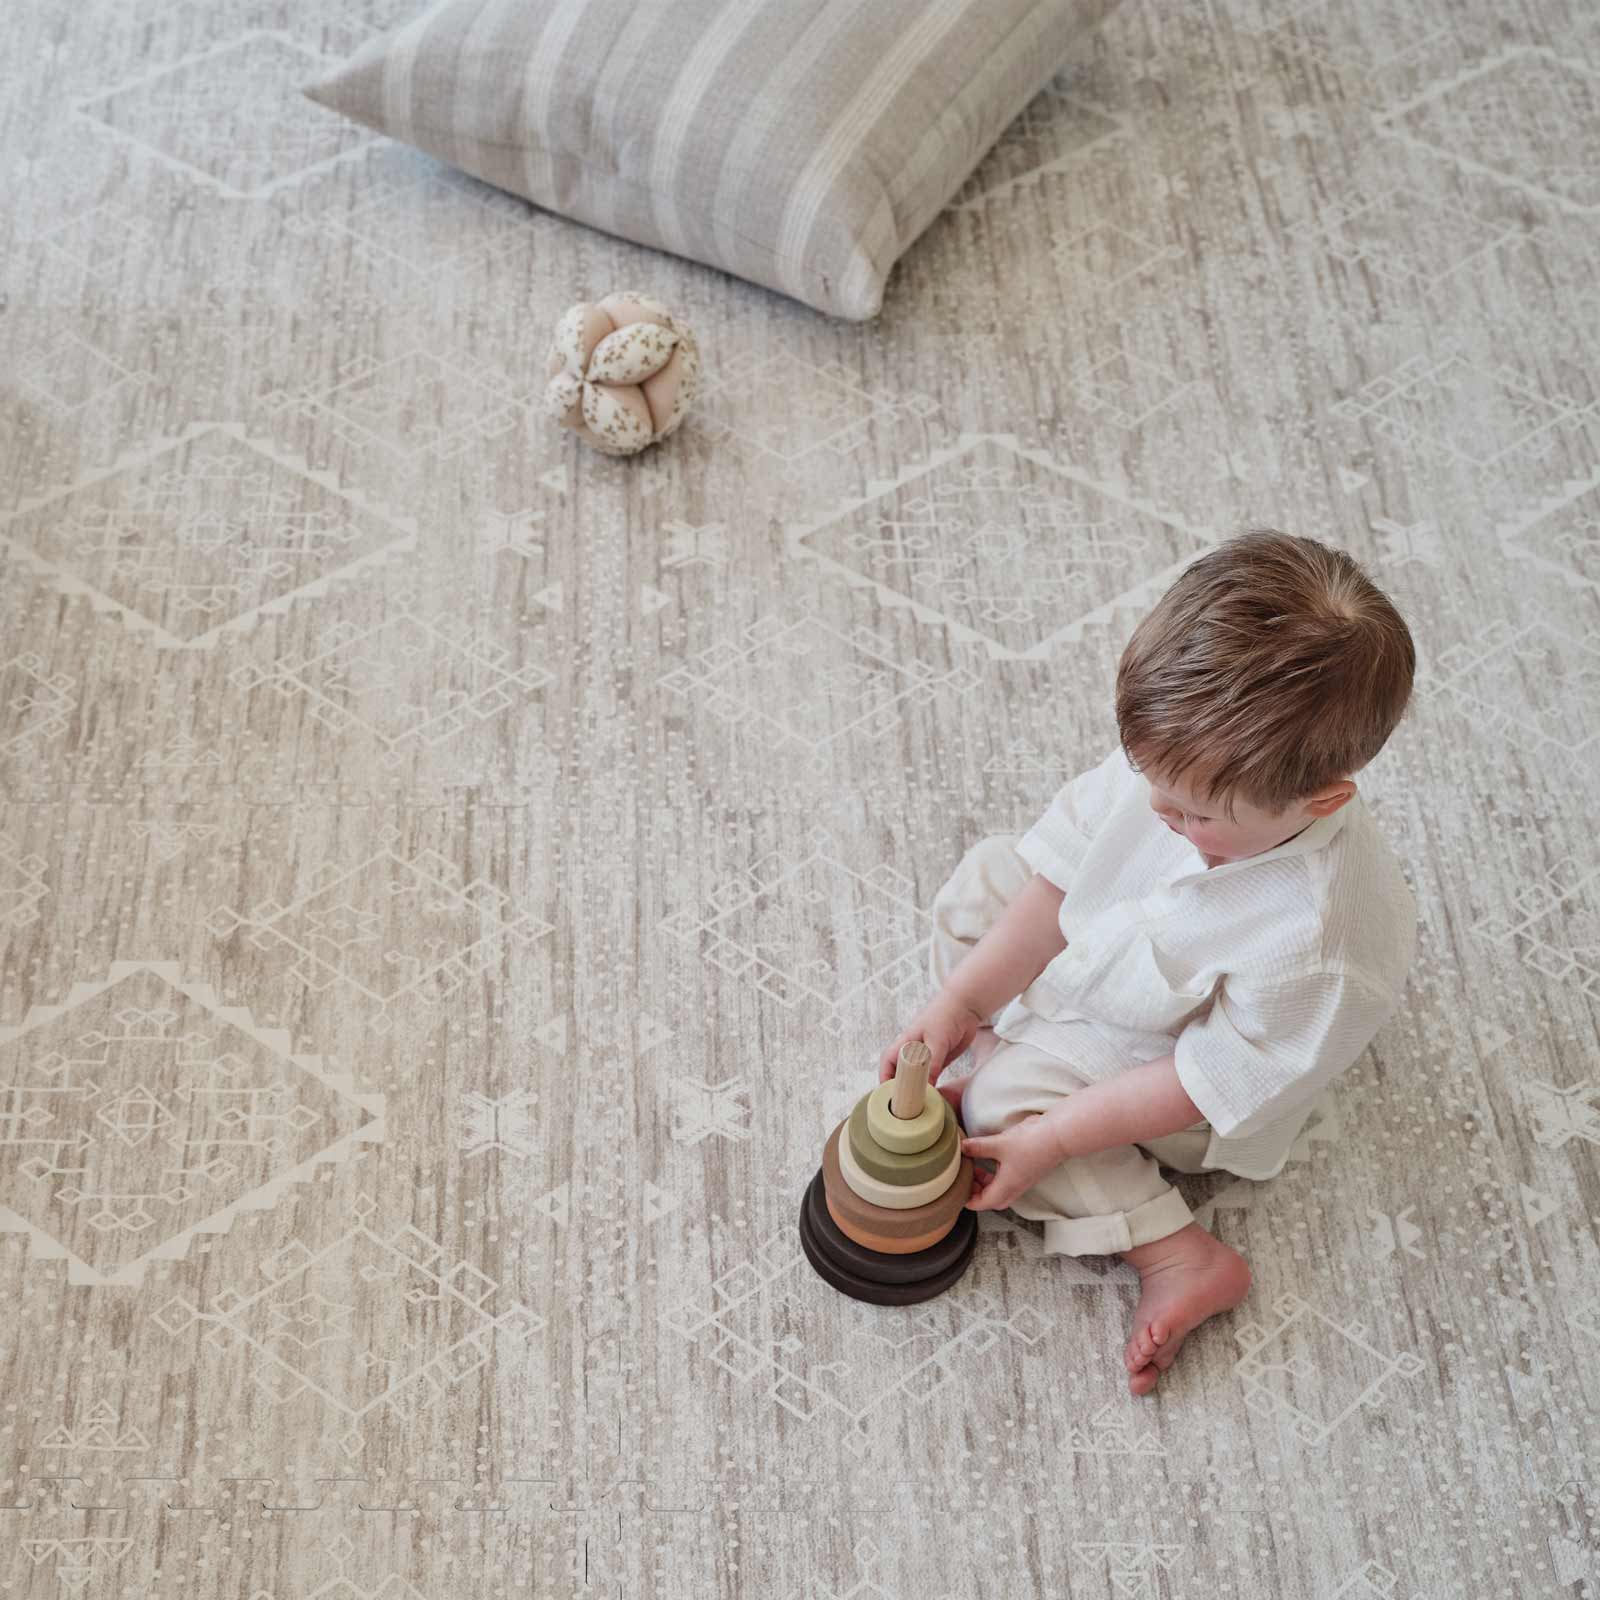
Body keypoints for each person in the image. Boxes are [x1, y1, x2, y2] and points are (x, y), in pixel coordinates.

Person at [879, 530, 1417, 1394]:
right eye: (1146, 779)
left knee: (1010, 1106)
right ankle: (1005, 1042)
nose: (1158, 811)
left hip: (1187, 1076)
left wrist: (1055, 1137)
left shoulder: (1314, 941)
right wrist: (963, 1003)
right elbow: (1060, 886)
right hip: (1128, 953)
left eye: (1195, 815)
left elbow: (1202, 1080)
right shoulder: (1177, 773)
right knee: (986, 881)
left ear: (1321, 799)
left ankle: (1178, 1252)